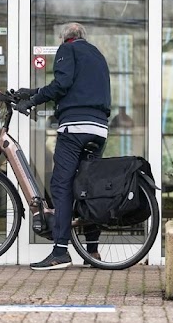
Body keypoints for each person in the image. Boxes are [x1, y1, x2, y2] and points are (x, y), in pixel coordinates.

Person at [14, 22, 111, 270]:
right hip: (98, 128)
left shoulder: (67, 49)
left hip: (75, 128)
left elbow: (62, 84)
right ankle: (92, 251)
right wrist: (33, 91)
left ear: (65, 38)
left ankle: (60, 251)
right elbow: (75, 85)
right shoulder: (97, 55)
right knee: (86, 187)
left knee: (61, 184)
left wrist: (33, 101)